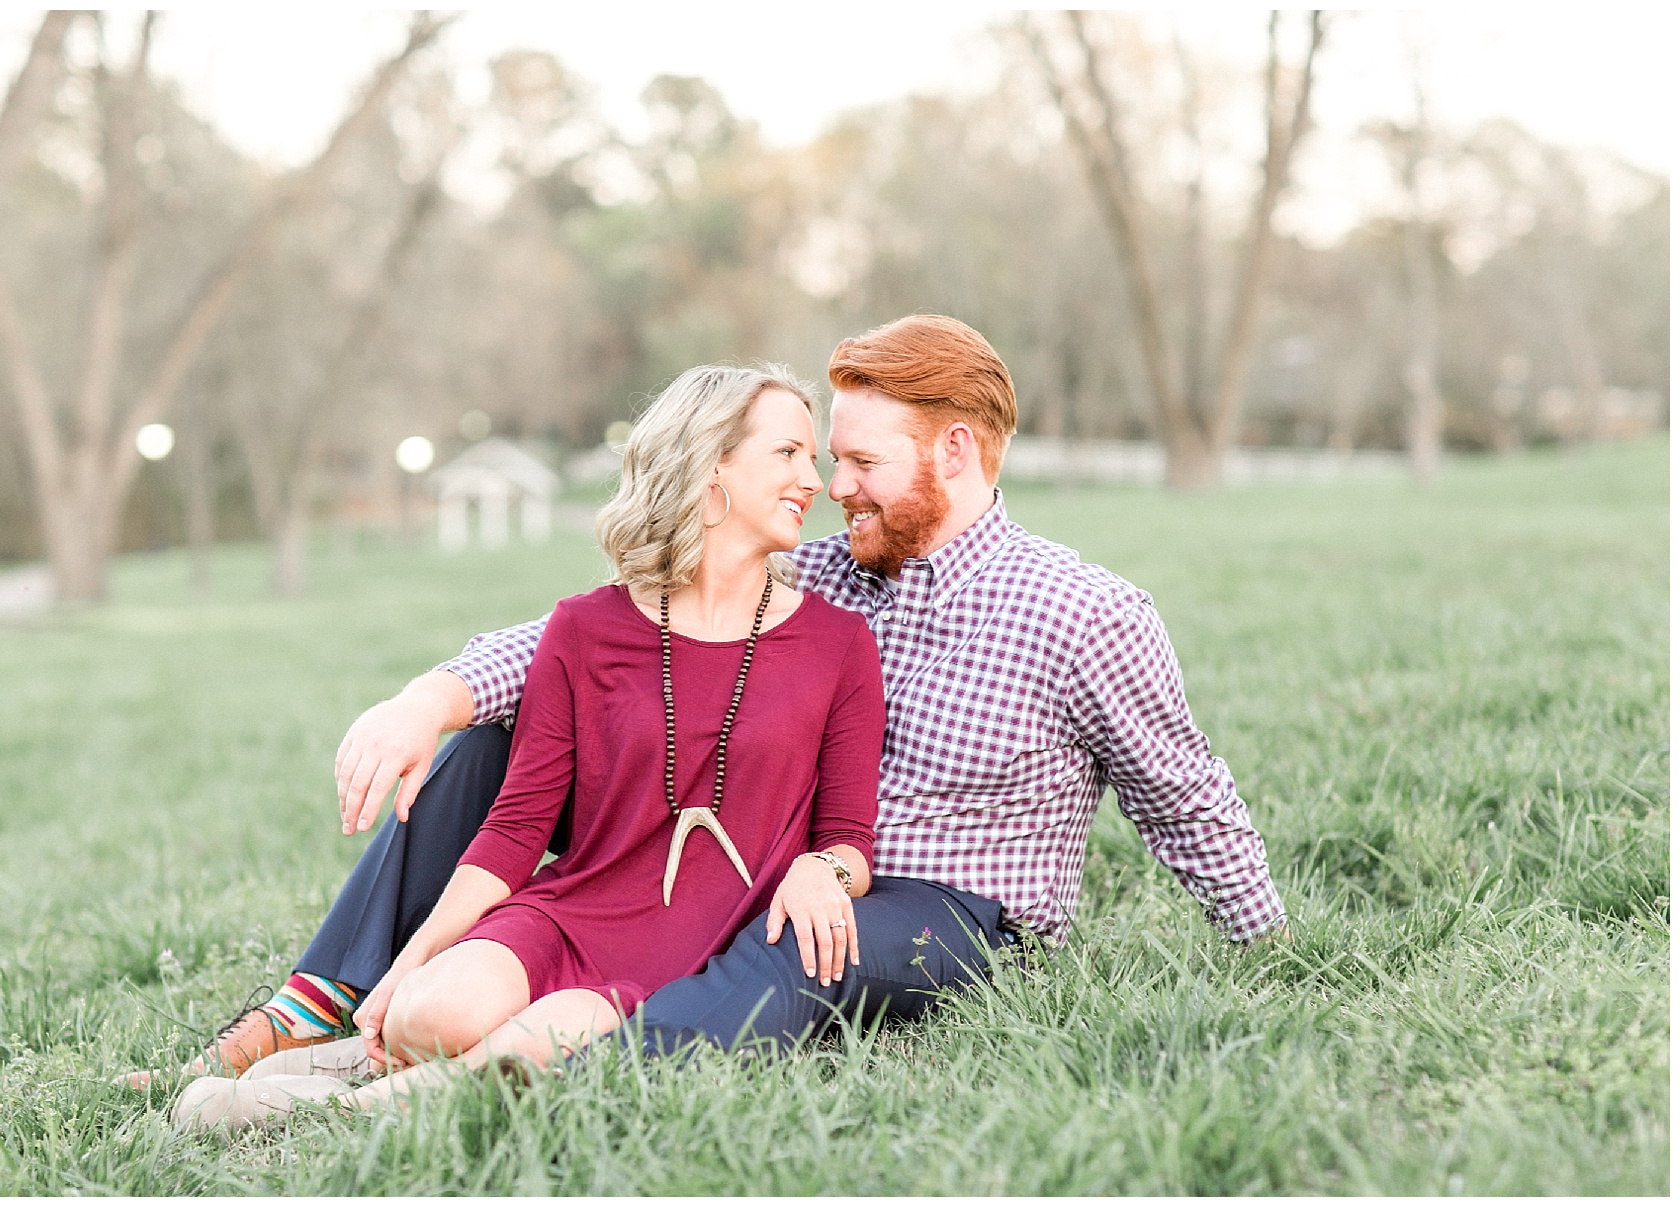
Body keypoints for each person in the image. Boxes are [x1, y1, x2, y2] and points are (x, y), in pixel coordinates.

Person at [144, 313, 1287, 1097]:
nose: (836, 488)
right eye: (823, 458)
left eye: (862, 463)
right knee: (492, 748)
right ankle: (318, 1008)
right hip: (759, 857)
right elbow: (587, 643)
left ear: (956, 448)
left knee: (793, 937)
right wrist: (428, 696)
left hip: (955, 911)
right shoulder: (828, 573)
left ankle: (497, 1083)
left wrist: (1272, 951)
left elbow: (1184, 800)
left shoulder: (1085, 612)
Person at [166, 364, 884, 1128]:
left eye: (814, 458)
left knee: (527, 1049)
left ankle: (328, 1109)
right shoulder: (585, 627)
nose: (816, 480)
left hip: (692, 954)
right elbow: (515, 830)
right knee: (429, 1015)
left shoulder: (839, 644)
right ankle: (365, 1049)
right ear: (712, 466)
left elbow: (850, 838)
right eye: (788, 454)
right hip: (571, 912)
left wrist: (824, 867)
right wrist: (403, 971)